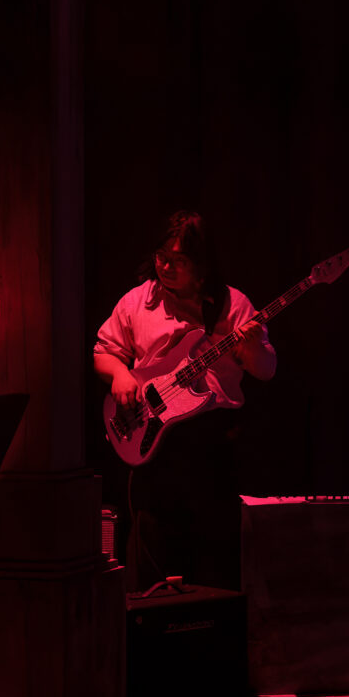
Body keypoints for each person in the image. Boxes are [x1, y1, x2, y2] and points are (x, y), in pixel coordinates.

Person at [93, 210, 274, 591]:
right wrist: (121, 374)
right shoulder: (137, 301)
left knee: (214, 562)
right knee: (150, 557)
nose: (166, 266)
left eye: (178, 260)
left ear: (201, 264)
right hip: (152, 444)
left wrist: (251, 348)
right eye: (161, 256)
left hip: (211, 443)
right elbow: (103, 352)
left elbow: (266, 370)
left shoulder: (232, 303)